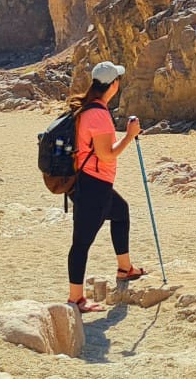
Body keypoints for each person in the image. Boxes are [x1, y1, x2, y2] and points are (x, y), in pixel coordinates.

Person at [66, 60, 145, 311]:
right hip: (93, 187)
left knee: (121, 212)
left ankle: (125, 268)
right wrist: (129, 137)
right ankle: (75, 299)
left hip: (90, 183)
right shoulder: (98, 115)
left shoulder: (88, 109)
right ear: (114, 84)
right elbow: (106, 154)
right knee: (81, 243)